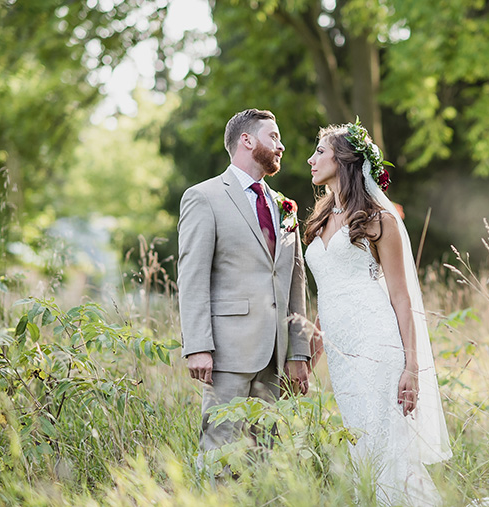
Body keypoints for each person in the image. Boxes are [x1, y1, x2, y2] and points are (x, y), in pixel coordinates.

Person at [304, 120, 452, 507]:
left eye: (320, 151)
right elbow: (327, 296)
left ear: (345, 159)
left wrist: (412, 368)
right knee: (361, 448)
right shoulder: (320, 218)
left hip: (377, 345)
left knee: (386, 449)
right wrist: (311, 352)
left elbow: (403, 297)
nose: (310, 159)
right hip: (341, 355)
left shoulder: (379, 219)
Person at [177, 108, 311, 468]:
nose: (281, 146)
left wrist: (298, 351)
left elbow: (295, 282)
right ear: (247, 140)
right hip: (227, 352)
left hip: (275, 354)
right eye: (274, 136)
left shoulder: (284, 206)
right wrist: (198, 346)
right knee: (222, 450)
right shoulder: (203, 197)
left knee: (265, 456)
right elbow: (192, 276)